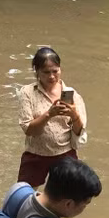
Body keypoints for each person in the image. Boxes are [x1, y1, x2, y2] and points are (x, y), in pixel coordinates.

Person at [17, 46, 89, 188]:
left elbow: (80, 131)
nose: (51, 76)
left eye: (55, 71)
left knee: (66, 195)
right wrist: (50, 114)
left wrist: (74, 114)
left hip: (65, 154)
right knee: (23, 194)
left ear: (60, 69)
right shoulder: (28, 93)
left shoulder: (71, 93)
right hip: (36, 154)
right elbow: (29, 130)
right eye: (46, 72)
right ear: (37, 71)